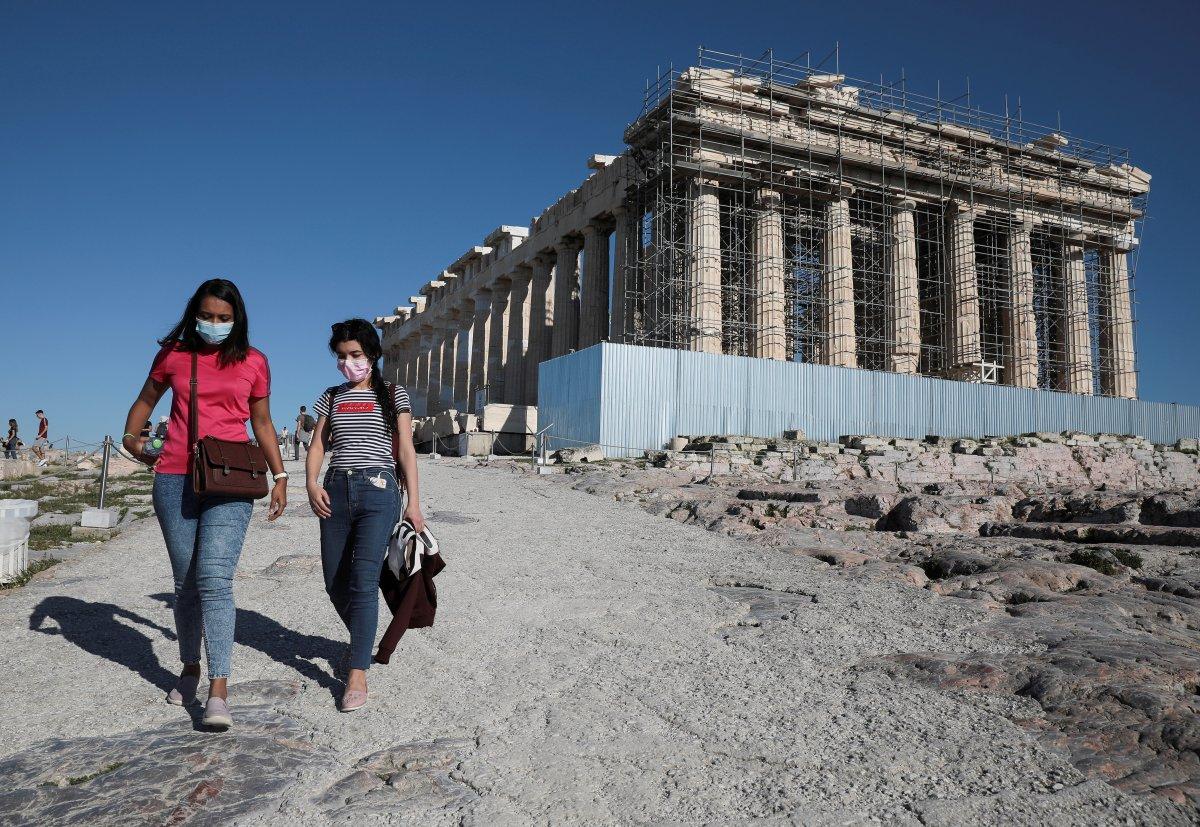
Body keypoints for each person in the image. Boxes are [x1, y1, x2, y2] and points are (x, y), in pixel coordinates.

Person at [121, 278, 287, 730]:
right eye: (208, 316)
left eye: (224, 318)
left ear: (237, 320)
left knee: (215, 578)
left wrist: (281, 476)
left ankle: (219, 688)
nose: (215, 325)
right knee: (186, 583)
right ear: (195, 314)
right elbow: (145, 400)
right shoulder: (174, 355)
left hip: (232, 480)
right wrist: (132, 439)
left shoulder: (255, 362)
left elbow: (263, 421)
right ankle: (189, 666)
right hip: (174, 477)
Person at [306, 318, 423, 712]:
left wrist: (415, 503)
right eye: (341, 356)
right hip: (336, 489)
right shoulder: (332, 395)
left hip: (379, 489)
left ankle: (356, 672)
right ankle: (362, 637)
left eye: (355, 355)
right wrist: (311, 483)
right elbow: (319, 445)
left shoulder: (393, 394)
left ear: (371, 354)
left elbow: (406, 449)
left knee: (363, 579)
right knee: (333, 580)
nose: (347, 363)